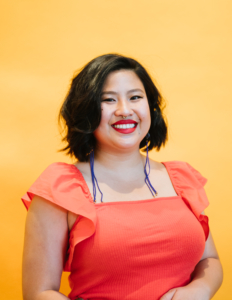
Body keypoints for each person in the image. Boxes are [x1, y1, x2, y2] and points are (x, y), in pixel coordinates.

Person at [21, 54, 223, 300]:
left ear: (151, 107)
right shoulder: (60, 188)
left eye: (135, 97)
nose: (124, 110)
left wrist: (199, 289)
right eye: (108, 100)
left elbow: (209, 259)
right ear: (86, 110)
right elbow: (39, 292)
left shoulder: (182, 178)